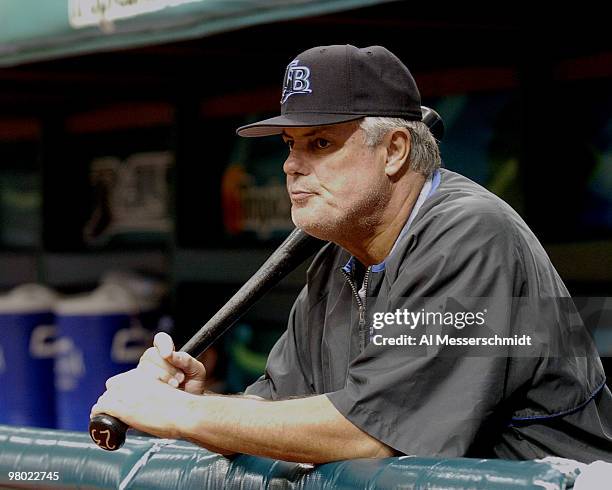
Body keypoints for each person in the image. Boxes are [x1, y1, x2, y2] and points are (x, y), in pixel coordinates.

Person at [91, 45, 612, 463]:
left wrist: (181, 414)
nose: (291, 165)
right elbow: (279, 414)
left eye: (319, 143)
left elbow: (371, 433)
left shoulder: (472, 233)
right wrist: (200, 404)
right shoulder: (337, 261)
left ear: (395, 151)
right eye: (289, 144)